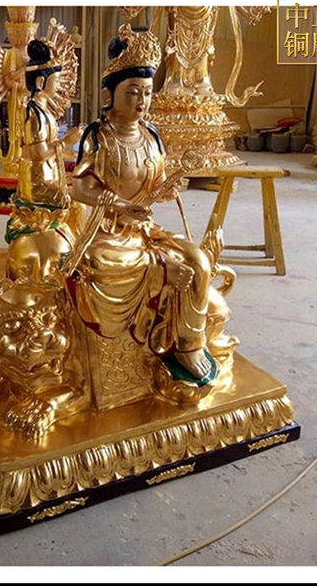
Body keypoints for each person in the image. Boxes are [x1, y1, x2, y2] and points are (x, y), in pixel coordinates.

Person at [70, 24, 214, 380]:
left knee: (198, 260)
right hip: (107, 234)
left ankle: (189, 344)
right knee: (103, 263)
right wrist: (118, 204)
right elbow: (79, 189)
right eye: (133, 92)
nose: (141, 101)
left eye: (147, 93)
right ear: (110, 94)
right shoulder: (98, 137)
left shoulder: (152, 136)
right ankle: (161, 271)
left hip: (144, 229)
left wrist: (169, 187)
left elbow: (156, 185)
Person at [6, 38, 83, 282]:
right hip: (37, 182)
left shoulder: (44, 110)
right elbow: (38, 153)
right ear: (40, 82)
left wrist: (70, 154)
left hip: (48, 173)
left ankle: (73, 248)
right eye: (55, 81)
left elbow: (49, 147)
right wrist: (66, 142)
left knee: (79, 186)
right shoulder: (34, 113)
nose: (58, 86)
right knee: (77, 200)